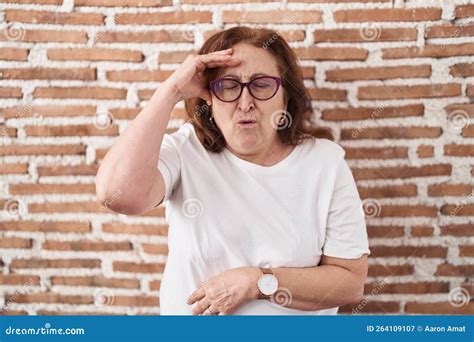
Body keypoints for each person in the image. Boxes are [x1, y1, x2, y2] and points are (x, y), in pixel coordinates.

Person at [96, 26, 370, 315]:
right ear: (209, 100)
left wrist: (259, 281)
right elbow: (115, 195)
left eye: (262, 84)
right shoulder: (185, 150)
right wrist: (172, 90)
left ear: (285, 98)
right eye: (228, 86)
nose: (245, 103)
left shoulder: (325, 162)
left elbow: (350, 282)